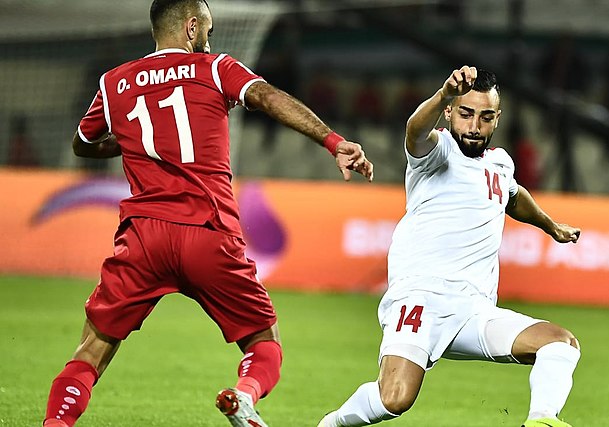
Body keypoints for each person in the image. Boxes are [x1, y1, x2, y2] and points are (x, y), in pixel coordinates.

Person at [42, 1, 373, 427]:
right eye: (208, 31)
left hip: (144, 237)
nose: (210, 40)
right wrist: (333, 142)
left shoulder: (113, 82)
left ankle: (56, 423)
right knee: (264, 342)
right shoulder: (215, 68)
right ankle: (244, 395)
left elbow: (81, 143)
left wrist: (128, 142)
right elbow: (268, 97)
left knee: (92, 347)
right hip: (208, 231)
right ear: (192, 27)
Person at [318, 67, 581, 427]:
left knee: (560, 343)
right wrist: (443, 93)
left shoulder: (500, 164)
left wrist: (552, 227)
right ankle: (330, 424)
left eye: (485, 117)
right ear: (449, 113)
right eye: (465, 113)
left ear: (497, 119)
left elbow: (515, 197)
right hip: (421, 298)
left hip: (474, 310)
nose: (474, 126)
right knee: (394, 399)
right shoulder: (436, 151)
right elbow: (414, 130)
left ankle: (540, 421)